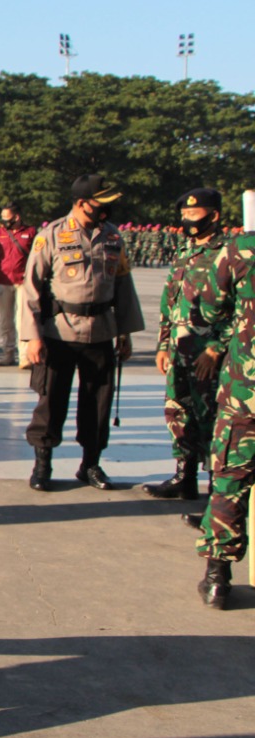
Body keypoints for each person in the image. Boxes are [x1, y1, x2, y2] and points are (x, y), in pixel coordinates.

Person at [22, 175, 145, 492]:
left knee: (98, 405)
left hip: (101, 331)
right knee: (51, 402)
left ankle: (90, 464)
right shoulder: (50, 236)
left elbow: (123, 285)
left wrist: (126, 332)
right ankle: (43, 464)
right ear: (81, 203)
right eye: (100, 202)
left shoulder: (113, 236)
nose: (107, 207)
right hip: (58, 333)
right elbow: (32, 288)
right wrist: (33, 336)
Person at [143, 188, 226, 506]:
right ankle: (184, 476)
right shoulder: (183, 251)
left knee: (213, 419)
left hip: (209, 353)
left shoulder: (229, 254)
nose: (188, 221)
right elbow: (170, 303)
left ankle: (219, 488)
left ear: (214, 215)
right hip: (179, 350)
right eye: (184, 216)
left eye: (194, 214)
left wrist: (216, 347)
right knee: (177, 413)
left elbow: (241, 309)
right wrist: (163, 344)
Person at [189, 200, 253, 609]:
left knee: (230, 477)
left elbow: (210, 308)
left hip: (247, 387)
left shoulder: (241, 249)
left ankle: (218, 576)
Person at [0, 201, 38, 367]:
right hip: (4, 282)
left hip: (24, 283)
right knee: (6, 321)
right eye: (2, 218)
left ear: (17, 217)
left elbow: (37, 258)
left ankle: (25, 356)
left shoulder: (31, 232)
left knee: (23, 320)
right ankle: (8, 353)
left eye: (7, 218)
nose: (4, 221)